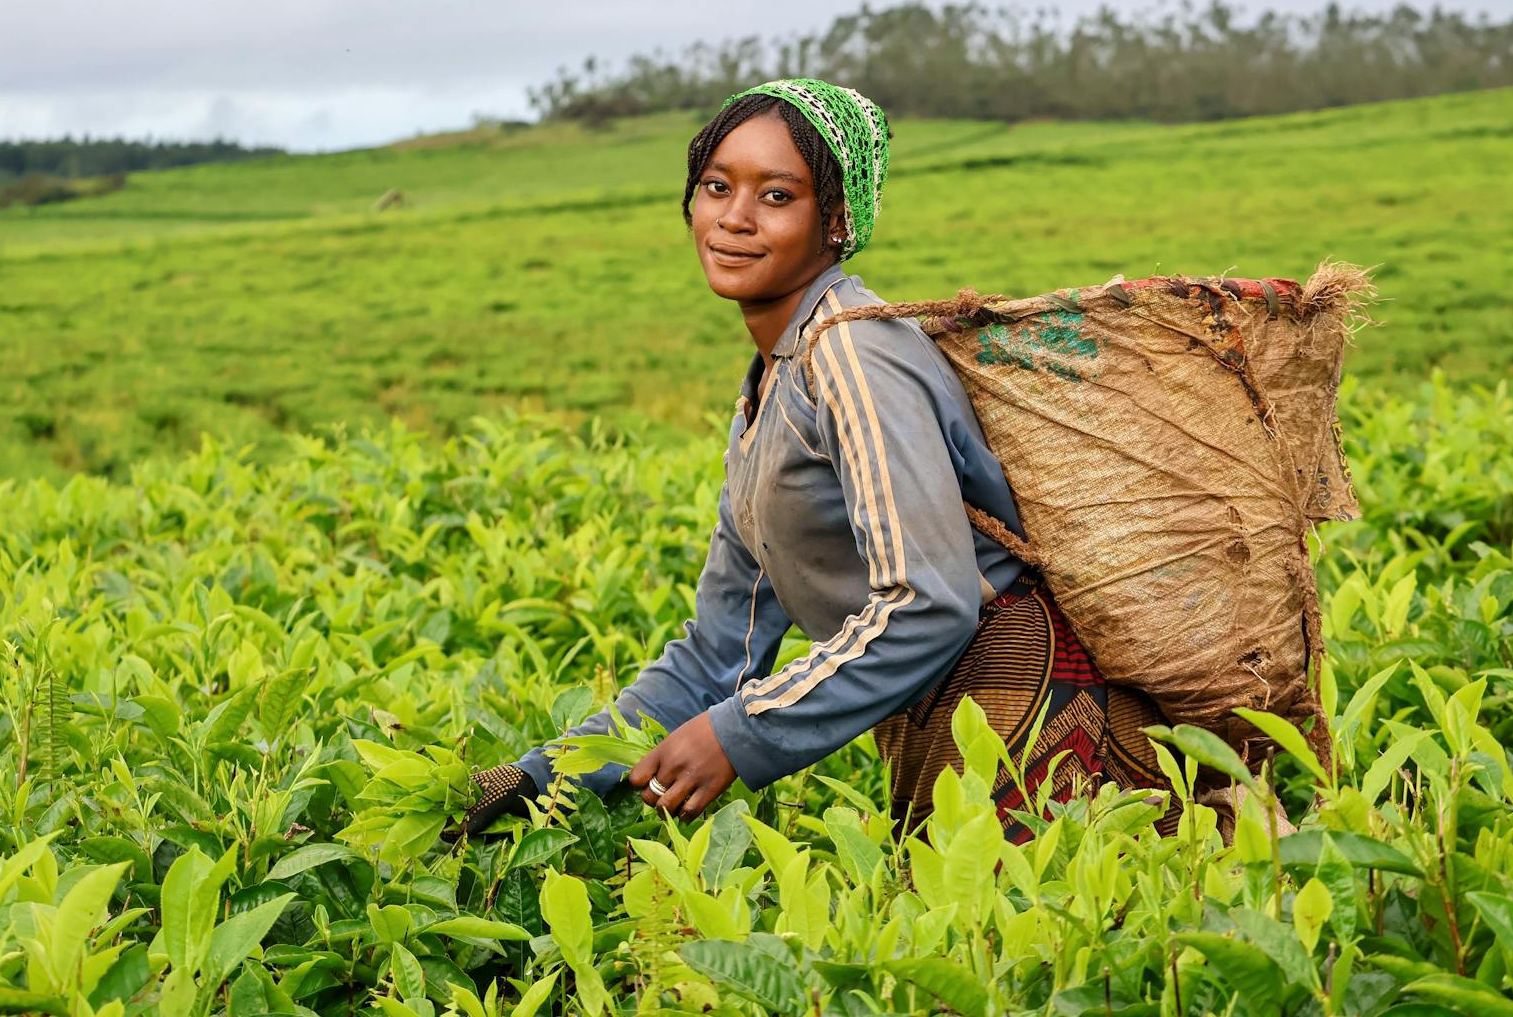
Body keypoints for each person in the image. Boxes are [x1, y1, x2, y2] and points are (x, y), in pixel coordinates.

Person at [458, 79, 1178, 841]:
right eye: (716, 187)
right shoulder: (772, 388)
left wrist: (740, 736)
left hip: (1030, 713)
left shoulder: (854, 352)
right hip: (949, 713)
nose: (734, 217)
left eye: (776, 196)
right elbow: (715, 659)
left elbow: (929, 602)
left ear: (835, 221)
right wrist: (544, 776)